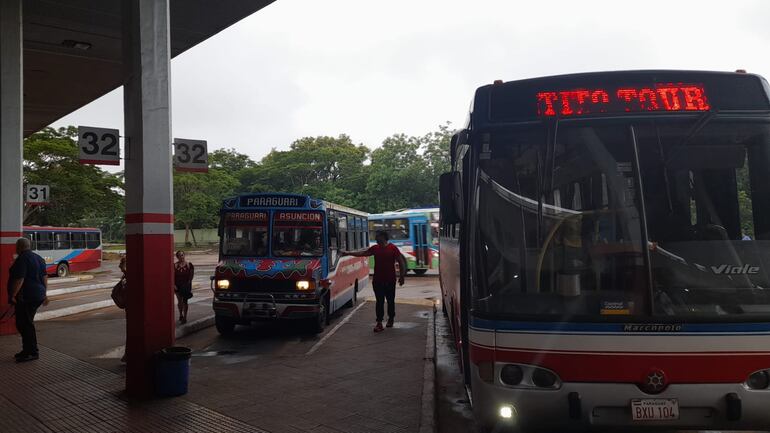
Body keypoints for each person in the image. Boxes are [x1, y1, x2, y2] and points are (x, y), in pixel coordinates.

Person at [341, 230, 406, 332]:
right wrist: (348, 253)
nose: (375, 239)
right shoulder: (375, 248)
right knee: (379, 302)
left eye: (377, 237)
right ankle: (379, 323)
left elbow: (401, 262)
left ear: (383, 237)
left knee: (390, 301)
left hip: (390, 280)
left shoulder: (393, 248)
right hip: (378, 281)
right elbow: (363, 253)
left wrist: (402, 276)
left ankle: (391, 318)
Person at [7, 238, 48, 362]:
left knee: (25, 324)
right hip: (37, 295)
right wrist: (45, 294)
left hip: (27, 297)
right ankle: (27, 350)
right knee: (24, 323)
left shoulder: (22, 259)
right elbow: (45, 277)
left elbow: (20, 279)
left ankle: (32, 352)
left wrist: (12, 295)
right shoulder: (38, 258)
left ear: (19, 247)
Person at [174, 250, 194, 323]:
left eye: (182, 255)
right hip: (177, 286)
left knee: (185, 301)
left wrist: (188, 285)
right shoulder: (175, 265)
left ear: (184, 255)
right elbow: (172, 276)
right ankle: (180, 314)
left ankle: (185, 317)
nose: (181, 257)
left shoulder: (189, 265)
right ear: (177, 257)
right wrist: (174, 285)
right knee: (180, 301)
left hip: (186, 286)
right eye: (179, 255)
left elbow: (191, 276)